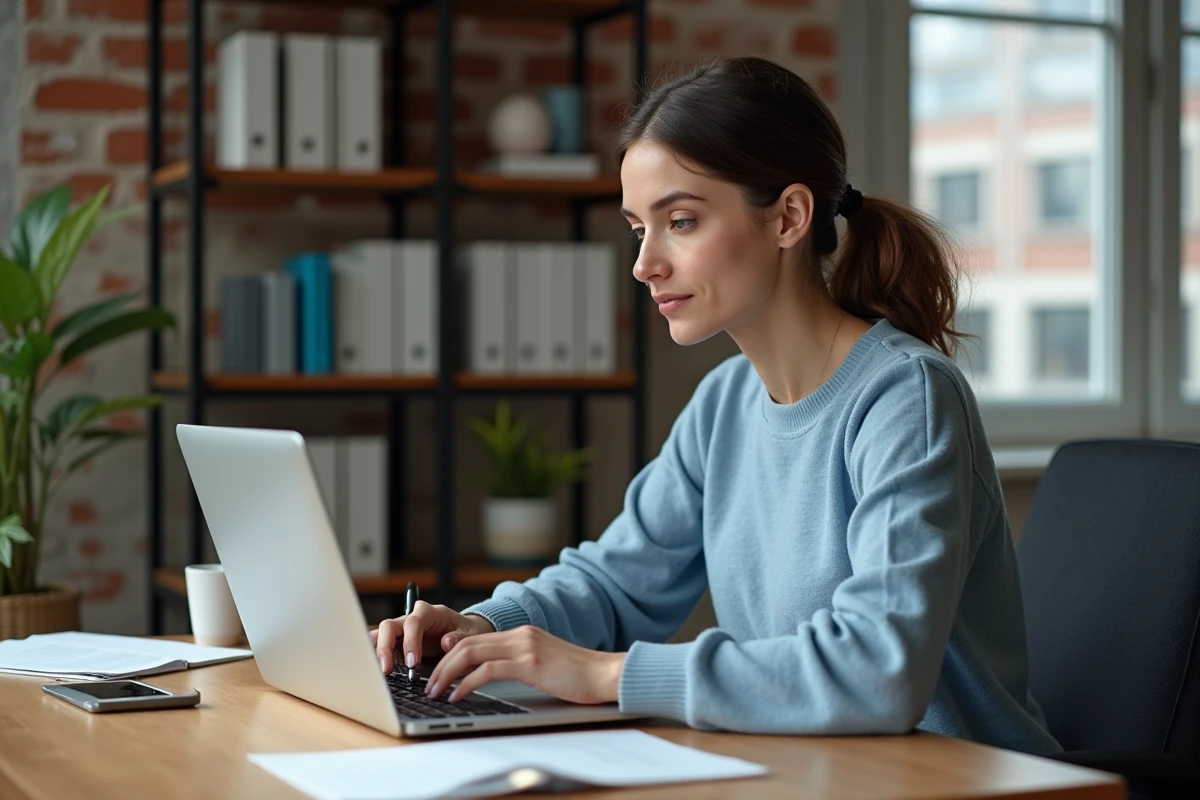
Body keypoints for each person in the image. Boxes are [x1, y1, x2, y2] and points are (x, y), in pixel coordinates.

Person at [371, 55, 1061, 755]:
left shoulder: (905, 398)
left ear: (789, 216)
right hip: (816, 768)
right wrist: (481, 628)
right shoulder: (724, 404)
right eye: (640, 229)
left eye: (681, 220)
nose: (645, 264)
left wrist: (609, 673)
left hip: (961, 779)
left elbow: (878, 670)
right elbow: (616, 583)